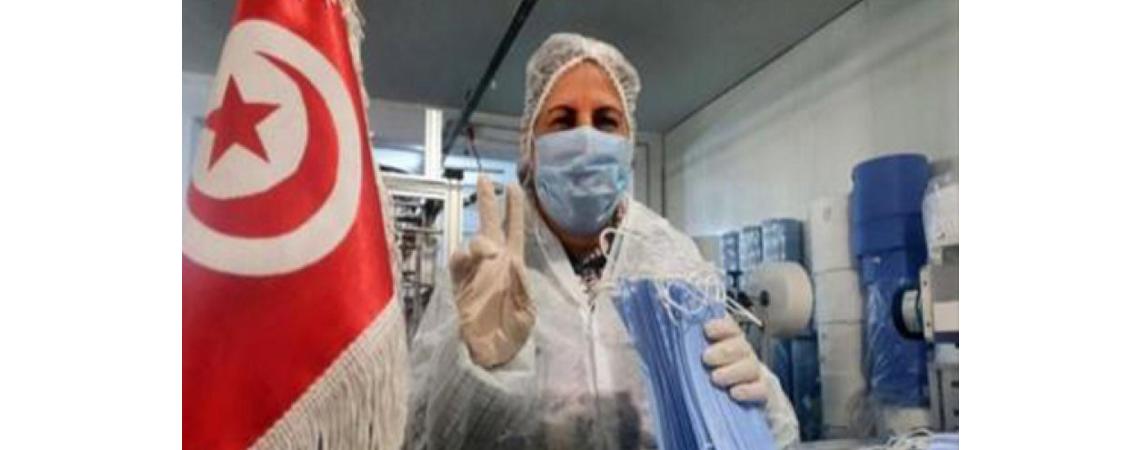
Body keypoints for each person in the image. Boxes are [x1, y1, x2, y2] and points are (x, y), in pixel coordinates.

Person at [408, 32, 799, 449]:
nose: (585, 138)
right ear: (530, 146)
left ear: (628, 145)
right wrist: (475, 367)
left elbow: (775, 434)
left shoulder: (669, 256)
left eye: (606, 121)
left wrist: (753, 406)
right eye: (563, 120)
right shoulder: (488, 269)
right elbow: (419, 436)